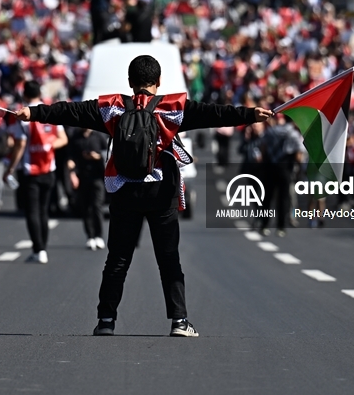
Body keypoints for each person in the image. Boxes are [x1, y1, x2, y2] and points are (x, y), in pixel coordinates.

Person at [14, 54, 274, 338]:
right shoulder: (172, 107)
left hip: (123, 190)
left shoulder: (111, 108)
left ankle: (106, 320)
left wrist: (33, 112)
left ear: (130, 82)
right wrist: (250, 114)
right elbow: (215, 113)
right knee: (168, 258)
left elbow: (70, 111)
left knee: (118, 259)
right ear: (158, 82)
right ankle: (179, 321)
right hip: (161, 192)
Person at [6, 81, 69, 263]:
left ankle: (38, 249)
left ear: (24, 95)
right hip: (49, 168)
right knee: (44, 210)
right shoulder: (50, 112)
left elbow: (20, 144)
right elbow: (62, 139)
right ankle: (43, 248)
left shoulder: (22, 114)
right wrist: (48, 146)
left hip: (30, 169)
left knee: (32, 211)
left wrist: (10, 168)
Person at [68, 127, 108, 250]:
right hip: (82, 177)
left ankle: (99, 235)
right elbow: (70, 157)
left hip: (97, 177)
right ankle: (90, 236)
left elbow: (108, 153)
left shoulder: (99, 136)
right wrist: (72, 173)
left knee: (97, 206)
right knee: (85, 208)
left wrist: (97, 157)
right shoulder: (75, 138)